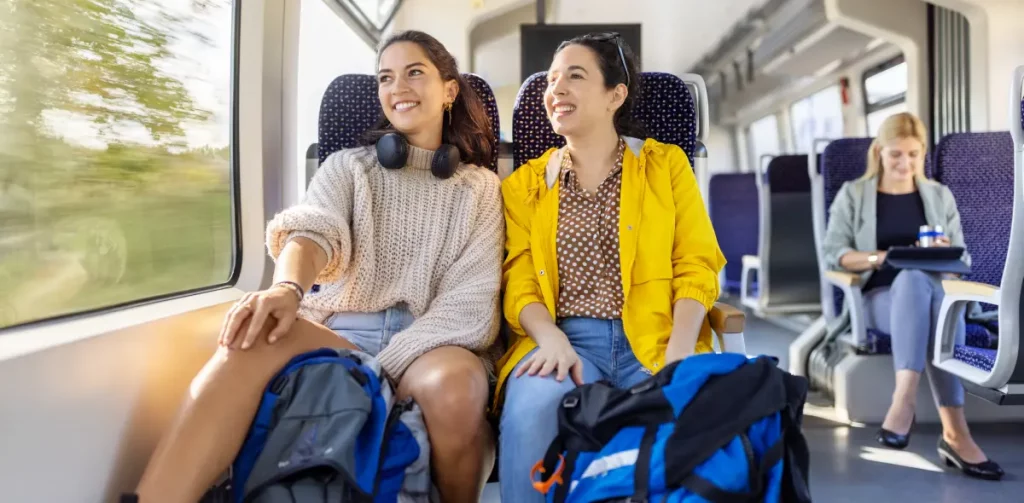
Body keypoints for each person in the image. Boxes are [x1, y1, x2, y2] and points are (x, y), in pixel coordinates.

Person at [133, 30, 505, 503]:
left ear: (449, 90)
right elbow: (313, 232)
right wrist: (287, 289)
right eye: (385, 77)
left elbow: (468, 306)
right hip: (339, 331)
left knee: (456, 389)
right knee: (249, 338)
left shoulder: (481, 189)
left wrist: (377, 372)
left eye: (415, 72)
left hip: (433, 342)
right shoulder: (346, 168)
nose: (398, 87)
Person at [495, 33, 726, 502]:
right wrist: (550, 337)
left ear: (614, 96)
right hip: (567, 341)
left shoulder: (667, 167)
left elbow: (696, 265)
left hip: (660, 336)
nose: (556, 89)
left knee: (695, 426)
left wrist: (680, 352)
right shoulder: (524, 186)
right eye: (552, 79)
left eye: (575, 77)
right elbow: (519, 282)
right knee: (529, 415)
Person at [821, 112, 1003, 480]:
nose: (905, 164)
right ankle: (955, 433)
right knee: (909, 278)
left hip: (935, 294)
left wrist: (942, 252)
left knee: (924, 285)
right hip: (879, 299)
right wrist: (883, 257)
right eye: (896, 155)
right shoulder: (854, 194)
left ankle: (903, 404)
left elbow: (962, 258)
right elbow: (834, 254)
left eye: (913, 155)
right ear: (879, 153)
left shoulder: (938, 195)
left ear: (923, 155)